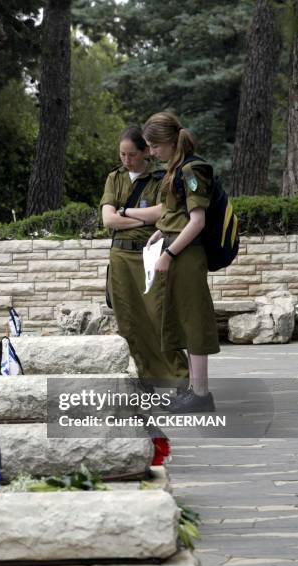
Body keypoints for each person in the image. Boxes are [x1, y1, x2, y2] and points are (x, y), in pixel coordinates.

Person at [127, 112, 220, 412]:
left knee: (193, 320)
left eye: (155, 146)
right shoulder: (177, 168)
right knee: (182, 319)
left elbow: (197, 221)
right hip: (179, 252)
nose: (152, 152)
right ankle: (194, 389)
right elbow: (177, 215)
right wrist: (160, 233)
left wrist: (169, 254)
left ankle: (202, 394)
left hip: (187, 256)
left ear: (169, 142)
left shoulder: (192, 171)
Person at [100, 125, 188, 386]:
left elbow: (163, 213)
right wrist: (141, 219)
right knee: (128, 323)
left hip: (148, 256)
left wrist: (125, 214)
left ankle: (180, 379)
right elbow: (108, 220)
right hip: (119, 258)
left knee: (158, 318)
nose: (127, 160)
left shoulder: (160, 178)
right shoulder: (114, 178)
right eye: (122, 155)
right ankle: (148, 380)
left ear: (145, 152)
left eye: (132, 155)